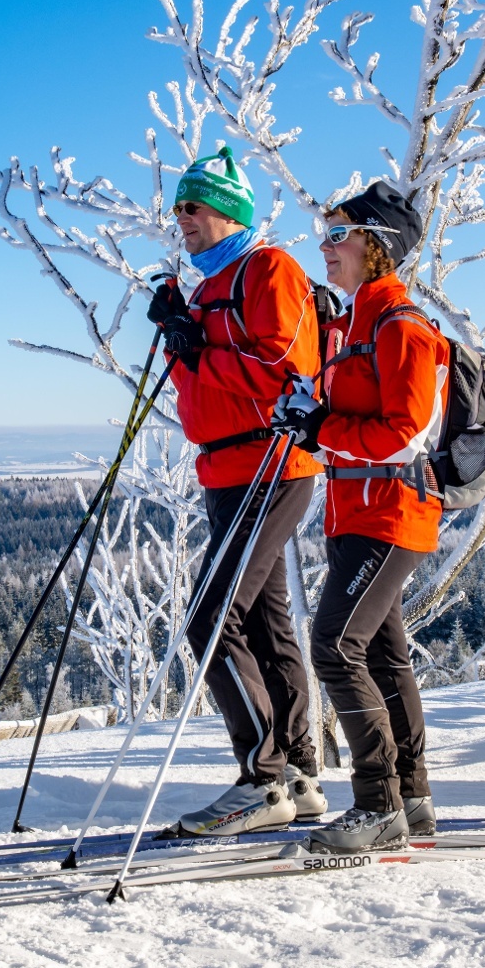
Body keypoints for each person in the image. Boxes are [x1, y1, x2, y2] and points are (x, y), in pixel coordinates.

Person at [146, 145, 328, 836]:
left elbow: (284, 371)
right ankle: (301, 774)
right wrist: (176, 332)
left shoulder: (268, 268)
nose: (180, 219)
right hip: (224, 470)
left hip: (270, 463)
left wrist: (198, 343)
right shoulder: (208, 287)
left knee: (211, 616)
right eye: (177, 209)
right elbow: (200, 390)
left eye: (190, 207)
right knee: (262, 620)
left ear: (224, 210)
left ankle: (263, 777)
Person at [272, 181, 444, 854]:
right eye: (324, 233)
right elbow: (331, 409)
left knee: (333, 646)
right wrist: (305, 409)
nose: (324, 245)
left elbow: (405, 429)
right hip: (354, 516)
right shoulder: (349, 326)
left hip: (392, 511)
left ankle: (378, 803)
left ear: (377, 245)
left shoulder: (401, 325)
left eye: (338, 234)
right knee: (380, 650)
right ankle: (414, 797)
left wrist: (322, 428)